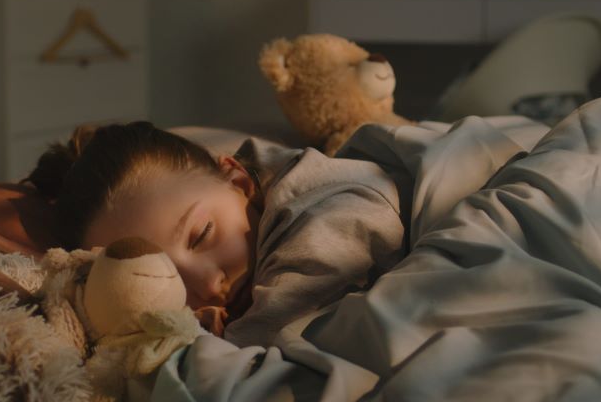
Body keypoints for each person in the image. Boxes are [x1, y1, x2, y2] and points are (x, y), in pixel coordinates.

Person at [30, 121, 406, 346]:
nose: (209, 287)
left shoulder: (332, 212)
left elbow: (262, 360)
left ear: (237, 177)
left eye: (201, 235)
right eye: (169, 277)